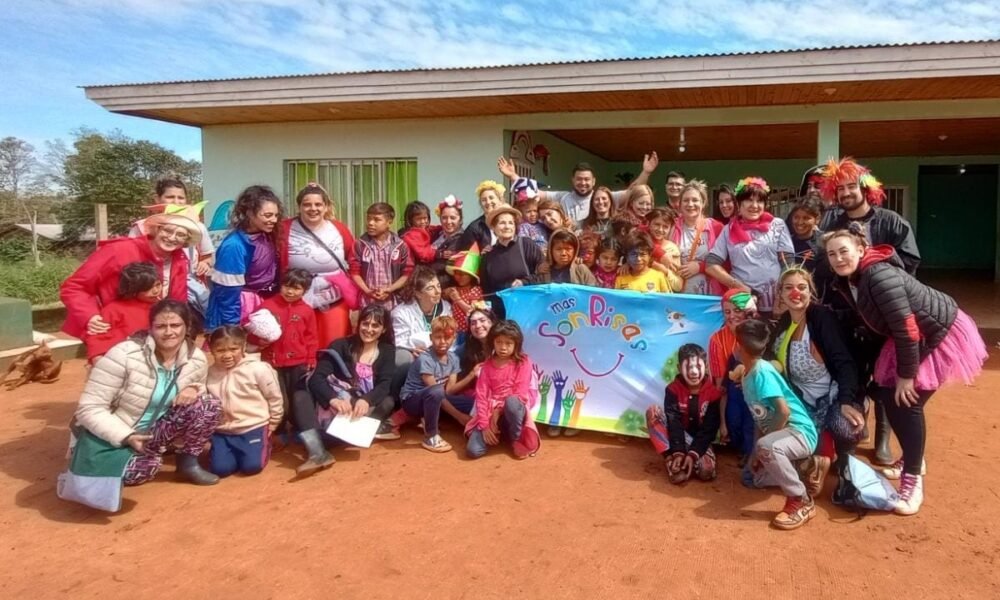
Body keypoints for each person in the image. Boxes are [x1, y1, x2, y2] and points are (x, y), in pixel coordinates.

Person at [823, 224, 987, 515]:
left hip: (935, 332)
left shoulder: (878, 276)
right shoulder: (853, 278)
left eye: (844, 251)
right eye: (832, 254)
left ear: (861, 249)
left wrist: (906, 376)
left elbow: (906, 327)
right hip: (911, 335)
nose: (838, 259)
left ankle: (913, 478)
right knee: (885, 393)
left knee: (905, 402)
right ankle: (913, 458)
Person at [820, 157, 921, 467]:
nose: (846, 193)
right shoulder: (831, 223)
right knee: (850, 372)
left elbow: (910, 264)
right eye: (840, 189)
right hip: (846, 315)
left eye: (851, 186)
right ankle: (851, 432)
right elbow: (823, 266)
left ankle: (883, 437)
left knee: (886, 377)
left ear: (865, 188)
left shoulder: (892, 222)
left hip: (883, 317)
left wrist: (870, 258)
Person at [68, 300, 222, 493]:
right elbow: (89, 408)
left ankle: (187, 464)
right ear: (150, 328)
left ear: (187, 327)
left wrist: (194, 389)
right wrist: (127, 436)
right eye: (161, 326)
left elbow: (199, 392)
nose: (169, 332)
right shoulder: (124, 355)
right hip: (117, 432)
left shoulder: (196, 359)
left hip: (153, 432)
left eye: (175, 325)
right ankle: (112, 461)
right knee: (142, 470)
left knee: (209, 405)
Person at [772, 268, 860, 498]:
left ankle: (846, 465)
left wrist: (846, 400)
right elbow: (768, 353)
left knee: (843, 425)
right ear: (780, 294)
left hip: (830, 396)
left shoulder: (821, 318)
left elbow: (844, 362)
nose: (795, 293)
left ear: (811, 291)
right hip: (799, 399)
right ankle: (817, 460)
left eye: (802, 287)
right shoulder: (784, 322)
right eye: (789, 288)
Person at [293, 304, 399, 475]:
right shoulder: (340, 345)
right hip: (334, 406)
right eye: (365, 323)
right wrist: (333, 399)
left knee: (388, 401)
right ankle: (318, 453)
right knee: (300, 395)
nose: (369, 329)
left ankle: (334, 438)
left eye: (375, 325)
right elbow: (317, 378)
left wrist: (366, 400)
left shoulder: (387, 350)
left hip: (360, 410)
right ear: (358, 324)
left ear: (384, 329)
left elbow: (384, 385)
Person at [61, 211, 200, 341]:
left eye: (180, 235)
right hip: (112, 327)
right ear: (157, 229)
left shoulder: (180, 259)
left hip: (154, 330)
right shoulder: (118, 250)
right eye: (168, 230)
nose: (172, 237)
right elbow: (75, 286)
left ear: (186, 240)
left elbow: (178, 300)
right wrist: (89, 315)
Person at [735, 319, 819, 530]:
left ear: (739, 347)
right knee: (751, 478)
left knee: (766, 447)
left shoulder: (762, 373)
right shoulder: (747, 374)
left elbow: (783, 412)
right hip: (781, 435)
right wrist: (756, 453)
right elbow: (760, 418)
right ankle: (804, 468)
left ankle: (801, 500)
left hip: (799, 432)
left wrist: (763, 447)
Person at [276, 182, 356, 346]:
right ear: (299, 207)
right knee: (298, 344)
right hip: (296, 297)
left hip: (334, 299)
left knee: (334, 346)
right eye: (307, 204)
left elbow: (354, 260)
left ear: (326, 207)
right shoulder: (283, 229)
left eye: (318, 204)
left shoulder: (339, 228)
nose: (313, 208)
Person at [706, 176, 795, 317]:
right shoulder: (728, 230)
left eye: (759, 201)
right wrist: (739, 287)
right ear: (739, 204)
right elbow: (711, 265)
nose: (754, 205)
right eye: (749, 200)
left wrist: (783, 294)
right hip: (743, 303)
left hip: (777, 303)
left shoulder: (777, 225)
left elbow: (788, 261)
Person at [248, 268, 318, 439]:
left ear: (305, 291)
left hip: (298, 363)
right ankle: (277, 431)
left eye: (296, 288)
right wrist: (259, 342)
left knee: (297, 397)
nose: (290, 291)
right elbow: (252, 329)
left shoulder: (307, 311)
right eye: (287, 286)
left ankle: (298, 428)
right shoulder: (267, 306)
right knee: (278, 399)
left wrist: (311, 358)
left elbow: (311, 337)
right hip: (272, 362)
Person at [128, 177, 215, 312]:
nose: (176, 202)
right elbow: (129, 261)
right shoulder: (142, 227)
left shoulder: (197, 227)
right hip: (148, 287)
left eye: (181, 198)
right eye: (170, 197)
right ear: (157, 199)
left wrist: (205, 263)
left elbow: (207, 256)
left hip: (188, 289)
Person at [206, 326, 283, 477]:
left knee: (251, 467)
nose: (227, 355)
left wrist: (274, 423)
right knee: (221, 469)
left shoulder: (258, 369)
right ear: (211, 350)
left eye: (233, 349)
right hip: (222, 430)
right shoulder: (209, 373)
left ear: (243, 346)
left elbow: (274, 397)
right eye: (220, 350)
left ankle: (265, 444)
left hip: (253, 426)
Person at [498, 153, 657, 225]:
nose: (583, 183)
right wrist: (513, 176)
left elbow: (633, 192)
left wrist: (646, 172)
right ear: (572, 180)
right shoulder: (562, 197)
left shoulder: (603, 198)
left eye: (587, 179)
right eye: (579, 179)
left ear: (593, 181)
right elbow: (533, 192)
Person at [207, 185, 282, 330]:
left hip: (260, 304)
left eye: (276, 215)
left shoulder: (265, 235)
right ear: (249, 213)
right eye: (268, 215)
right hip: (239, 309)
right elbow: (227, 295)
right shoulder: (234, 246)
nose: (273, 220)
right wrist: (233, 329)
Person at [645, 343, 721, 484]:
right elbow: (674, 422)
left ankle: (688, 462)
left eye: (698, 366)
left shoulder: (713, 394)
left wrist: (693, 454)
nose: (694, 372)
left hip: (700, 441)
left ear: (706, 367)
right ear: (679, 368)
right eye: (688, 367)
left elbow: (709, 429)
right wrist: (678, 452)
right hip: (677, 438)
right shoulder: (672, 390)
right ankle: (671, 460)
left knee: (706, 471)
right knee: (653, 412)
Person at [465, 320, 540, 459]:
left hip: (513, 409)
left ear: (516, 344)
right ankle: (503, 433)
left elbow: (520, 393)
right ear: (492, 342)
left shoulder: (523, 361)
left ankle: (516, 439)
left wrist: (499, 411)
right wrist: (484, 426)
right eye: (499, 342)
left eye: (508, 343)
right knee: (473, 451)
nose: (503, 347)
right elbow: (481, 396)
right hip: (491, 410)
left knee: (512, 402)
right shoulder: (487, 366)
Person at [397, 316, 472, 452]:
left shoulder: (454, 358)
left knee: (470, 402)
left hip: (436, 398)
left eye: (447, 337)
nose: (442, 342)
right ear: (431, 338)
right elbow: (436, 391)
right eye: (438, 337)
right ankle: (431, 436)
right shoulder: (425, 358)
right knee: (436, 391)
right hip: (412, 401)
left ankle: (478, 425)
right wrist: (459, 417)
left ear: (454, 338)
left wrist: (472, 375)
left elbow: (449, 391)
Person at [709, 290, 757, 464]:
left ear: (747, 311)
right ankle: (741, 448)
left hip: (756, 392)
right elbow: (720, 386)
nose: (731, 316)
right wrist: (723, 422)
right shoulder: (717, 340)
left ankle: (750, 453)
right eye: (727, 312)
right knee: (734, 422)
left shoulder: (756, 334)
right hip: (732, 394)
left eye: (737, 310)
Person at [391, 266, 455, 396]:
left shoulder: (446, 308)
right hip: (416, 356)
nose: (437, 291)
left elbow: (450, 336)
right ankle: (396, 395)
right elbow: (400, 341)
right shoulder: (401, 312)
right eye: (430, 288)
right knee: (403, 357)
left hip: (441, 353)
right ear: (418, 293)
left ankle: (446, 394)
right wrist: (412, 349)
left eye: (438, 286)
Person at [84, 262, 162, 363]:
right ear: (133, 289)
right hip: (121, 361)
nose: (156, 291)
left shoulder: (163, 307)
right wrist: (99, 360)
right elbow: (97, 339)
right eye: (148, 288)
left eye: (158, 285)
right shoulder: (114, 309)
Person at [479, 206, 543, 315]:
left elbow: (545, 274)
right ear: (493, 227)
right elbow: (487, 290)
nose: (507, 226)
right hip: (502, 314)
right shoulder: (488, 256)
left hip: (530, 310)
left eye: (510, 223)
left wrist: (524, 282)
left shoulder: (526, 245)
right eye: (502, 223)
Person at [350, 202, 413, 311]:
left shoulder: (400, 246)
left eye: (376, 220)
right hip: (366, 303)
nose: (370, 223)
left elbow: (407, 274)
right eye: (368, 219)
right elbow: (354, 272)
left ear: (389, 222)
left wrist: (389, 289)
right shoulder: (360, 244)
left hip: (393, 303)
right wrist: (368, 291)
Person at [672, 180, 725, 296]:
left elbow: (727, 263)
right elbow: (650, 241)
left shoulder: (716, 227)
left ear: (703, 203)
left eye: (695, 200)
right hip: (678, 295)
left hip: (709, 295)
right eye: (686, 200)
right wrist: (661, 255)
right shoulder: (671, 226)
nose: (690, 204)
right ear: (680, 204)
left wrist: (700, 267)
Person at [442, 246, 484, 334]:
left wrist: (458, 299)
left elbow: (473, 312)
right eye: (456, 273)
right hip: (455, 331)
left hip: (468, 332)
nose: (459, 277)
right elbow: (441, 296)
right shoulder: (454, 289)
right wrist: (445, 293)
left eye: (463, 274)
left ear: (471, 276)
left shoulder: (475, 290)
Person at [459, 179, 507, 251]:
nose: (488, 202)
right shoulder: (474, 228)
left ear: (500, 200)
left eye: (491, 198)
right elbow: (466, 254)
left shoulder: (509, 222)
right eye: (484, 200)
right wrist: (482, 254)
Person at [430, 195, 466, 285]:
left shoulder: (462, 240)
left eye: (453, 218)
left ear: (460, 219)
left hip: (443, 285)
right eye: (444, 218)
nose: (448, 222)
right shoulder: (437, 234)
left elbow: (444, 267)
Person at [646, 207, 684, 291]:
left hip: (663, 295)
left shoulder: (672, 249)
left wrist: (665, 271)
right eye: (657, 224)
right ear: (649, 223)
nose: (660, 229)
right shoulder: (639, 243)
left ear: (670, 228)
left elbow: (678, 286)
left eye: (665, 227)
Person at [787, 197, 824, 273]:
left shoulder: (824, 243)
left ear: (817, 219)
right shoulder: (786, 242)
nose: (800, 222)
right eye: (796, 217)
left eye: (806, 218)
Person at [399, 200, 442, 266]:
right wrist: (438, 254)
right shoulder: (411, 235)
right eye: (418, 219)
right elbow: (422, 253)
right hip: (415, 268)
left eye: (425, 218)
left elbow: (434, 229)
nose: (423, 222)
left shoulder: (423, 229)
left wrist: (444, 226)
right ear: (410, 220)